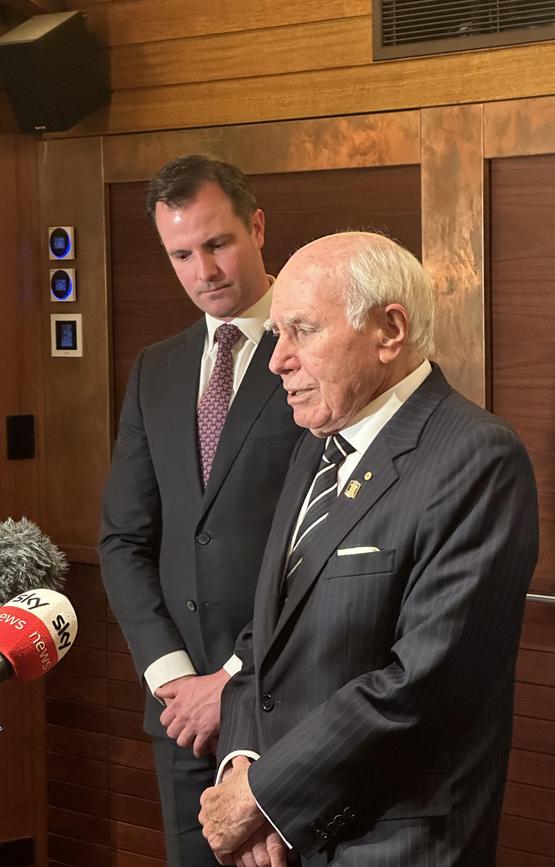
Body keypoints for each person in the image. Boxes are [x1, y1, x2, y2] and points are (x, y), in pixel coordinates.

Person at [198, 231, 539, 866]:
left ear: (389, 330)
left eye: (302, 330)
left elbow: (424, 686)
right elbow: (265, 636)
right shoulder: (316, 443)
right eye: (278, 334)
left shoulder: (476, 458)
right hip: (282, 836)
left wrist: (264, 798)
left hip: (392, 842)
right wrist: (242, 761)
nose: (277, 360)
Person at [99, 154, 301, 867]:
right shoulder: (157, 366)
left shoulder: (316, 345)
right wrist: (174, 680)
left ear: (257, 226)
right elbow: (123, 539)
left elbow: (328, 543)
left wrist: (234, 680)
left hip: (287, 703)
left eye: (217, 244)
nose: (202, 270)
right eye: (181, 254)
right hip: (181, 721)